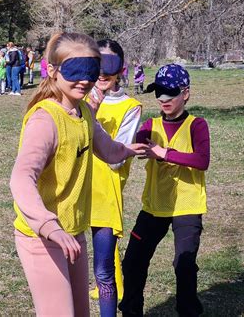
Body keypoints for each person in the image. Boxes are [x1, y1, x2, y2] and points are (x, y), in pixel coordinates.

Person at [9, 32, 147, 316]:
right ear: (52, 71)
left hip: (72, 234)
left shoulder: (83, 111)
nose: (84, 80)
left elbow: (107, 150)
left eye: (91, 71)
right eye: (75, 71)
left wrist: (133, 150)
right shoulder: (45, 119)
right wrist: (50, 227)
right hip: (42, 238)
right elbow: (21, 179)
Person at [118, 64, 210, 317]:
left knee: (185, 265)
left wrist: (164, 153)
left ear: (186, 93)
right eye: (158, 92)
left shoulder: (196, 125)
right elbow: (136, 141)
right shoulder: (150, 124)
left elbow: (202, 160)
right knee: (133, 262)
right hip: (154, 206)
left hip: (187, 207)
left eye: (170, 92)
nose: (163, 99)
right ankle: (131, 311)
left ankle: (188, 311)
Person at [89, 39, 142, 317]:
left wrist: (92, 118)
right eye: (98, 63)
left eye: (110, 65)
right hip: (73, 191)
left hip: (104, 196)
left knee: (103, 272)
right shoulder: (76, 97)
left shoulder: (131, 106)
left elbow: (117, 159)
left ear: (120, 69)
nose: (102, 73)